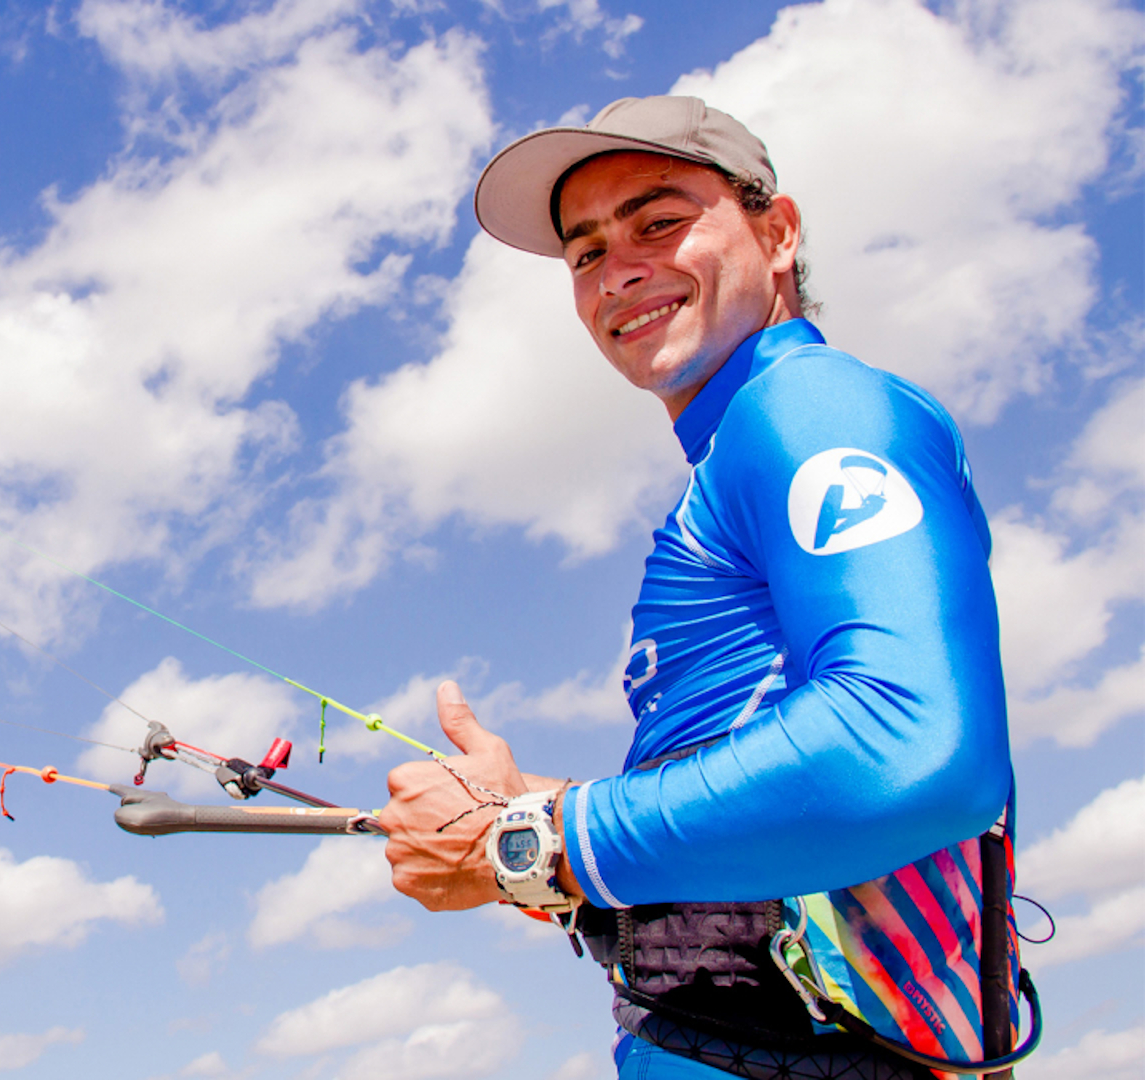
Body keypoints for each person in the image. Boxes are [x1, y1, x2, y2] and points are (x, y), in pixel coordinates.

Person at [380, 96, 1031, 1080]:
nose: (619, 269)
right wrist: (532, 805)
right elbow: (746, 776)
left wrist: (534, 843)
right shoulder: (737, 456)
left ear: (778, 233)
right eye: (586, 251)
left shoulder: (810, 404)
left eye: (658, 221)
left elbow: (912, 744)